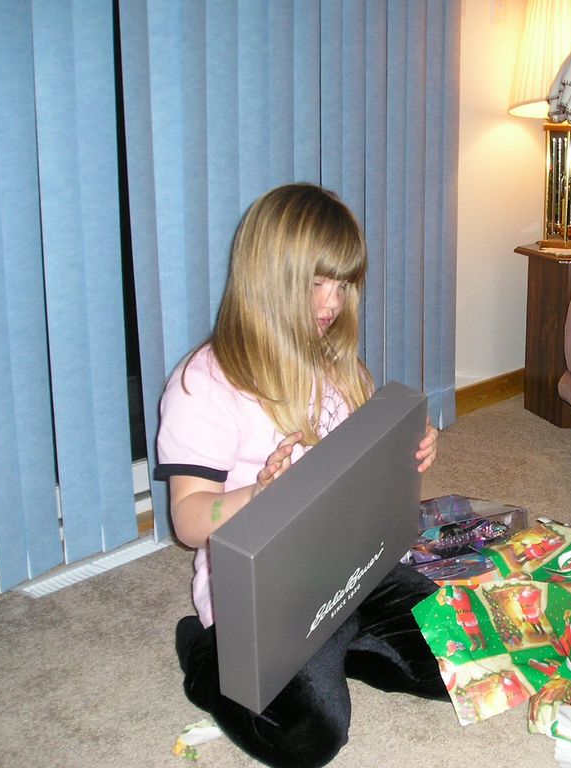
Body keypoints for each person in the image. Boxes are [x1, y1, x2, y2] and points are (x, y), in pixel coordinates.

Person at [154, 183, 447, 768]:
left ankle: (344, 644)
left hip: (355, 566)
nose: (332, 302)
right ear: (268, 275)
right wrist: (258, 494)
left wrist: (410, 450)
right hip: (265, 594)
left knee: (462, 659)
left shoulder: (338, 365)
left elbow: (363, 466)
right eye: (317, 282)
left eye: (342, 282)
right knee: (309, 736)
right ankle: (203, 655)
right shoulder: (203, 383)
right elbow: (188, 520)